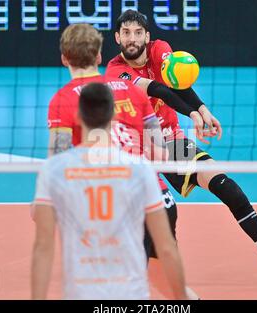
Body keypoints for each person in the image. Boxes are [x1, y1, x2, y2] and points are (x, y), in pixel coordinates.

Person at [106, 10, 257, 289]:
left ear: (147, 36)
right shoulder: (116, 71)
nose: (132, 38)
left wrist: (202, 110)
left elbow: (178, 83)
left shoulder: (159, 50)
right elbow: (159, 91)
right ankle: (155, 280)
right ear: (117, 37)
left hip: (170, 142)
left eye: (138, 32)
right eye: (126, 33)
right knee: (158, 220)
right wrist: (194, 114)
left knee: (227, 186)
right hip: (137, 152)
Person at [31, 82, 188, 300]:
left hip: (81, 292)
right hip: (130, 294)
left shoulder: (55, 170)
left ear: (77, 117)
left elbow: (42, 247)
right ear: (114, 115)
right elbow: (167, 248)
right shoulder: (141, 169)